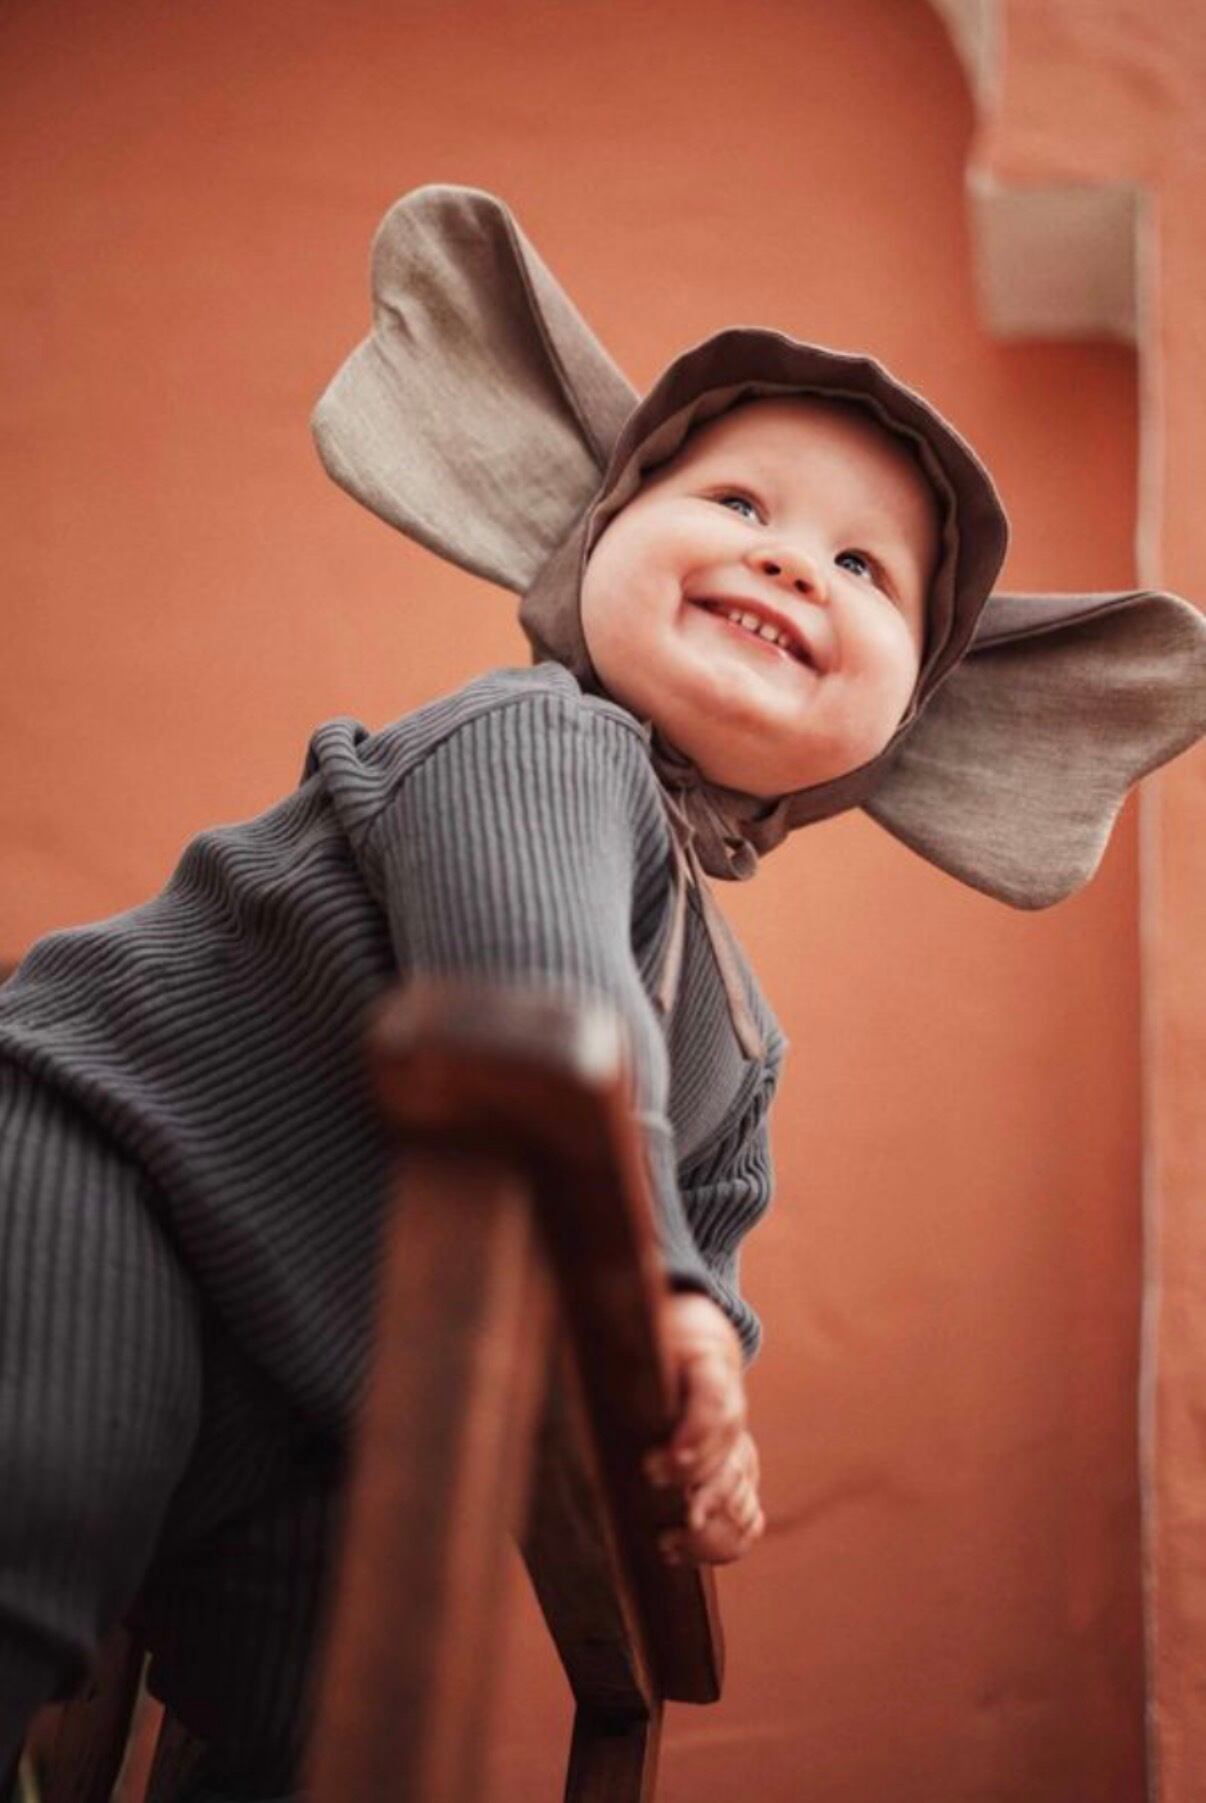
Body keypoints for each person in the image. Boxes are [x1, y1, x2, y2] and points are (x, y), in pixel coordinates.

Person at [2, 184, 1203, 1799]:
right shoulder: (536, 736)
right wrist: (660, 1289)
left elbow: (701, 1227)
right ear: (594, 542)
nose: (786, 559)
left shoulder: (738, 1046)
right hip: (117, 1166)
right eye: (737, 501)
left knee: (330, 1727)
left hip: (332, 1391)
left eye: (861, 565)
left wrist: (701, 1387)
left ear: (909, 716)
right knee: (34, 1512)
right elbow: (545, 987)